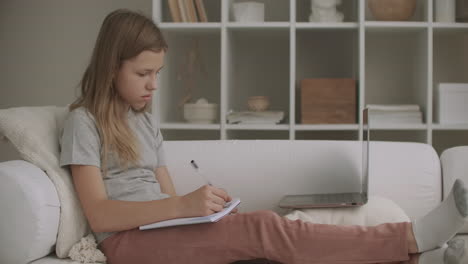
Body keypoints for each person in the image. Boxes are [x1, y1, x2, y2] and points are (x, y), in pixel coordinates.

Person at [59, 9, 468, 264]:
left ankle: (421, 256)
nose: (153, 86)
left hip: (160, 230)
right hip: (126, 245)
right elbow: (99, 214)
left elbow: (166, 196)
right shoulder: (84, 121)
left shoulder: (144, 119)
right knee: (264, 229)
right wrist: (181, 205)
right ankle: (412, 236)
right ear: (112, 67)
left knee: (262, 237)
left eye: (158, 74)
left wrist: (201, 211)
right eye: (143, 74)